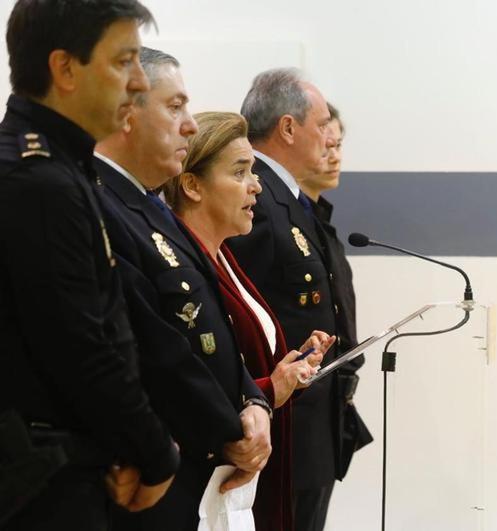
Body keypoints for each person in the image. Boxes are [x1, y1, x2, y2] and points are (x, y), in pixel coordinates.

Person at [0, 2, 179, 530]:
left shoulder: (59, 169)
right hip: (42, 482)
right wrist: (154, 452)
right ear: (65, 68)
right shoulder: (36, 182)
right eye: (124, 61)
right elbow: (81, 346)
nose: (139, 81)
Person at [93, 48, 275, 530]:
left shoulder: (149, 206)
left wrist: (253, 403)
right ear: (127, 112)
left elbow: (215, 328)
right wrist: (228, 429)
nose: (189, 125)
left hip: (199, 467)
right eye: (175, 108)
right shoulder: (99, 204)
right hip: (154, 467)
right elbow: (156, 346)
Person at [163, 111, 335, 531]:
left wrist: (287, 371)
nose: (256, 186)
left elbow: (240, 366)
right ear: (192, 185)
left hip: (248, 476)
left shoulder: (225, 256)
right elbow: (184, 385)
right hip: (206, 484)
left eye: (254, 172)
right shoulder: (180, 265)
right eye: (240, 173)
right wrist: (269, 389)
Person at [226, 67, 360, 531]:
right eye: (322, 124)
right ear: (287, 127)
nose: (329, 138)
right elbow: (243, 321)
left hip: (314, 427)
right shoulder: (261, 200)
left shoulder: (295, 201)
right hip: (283, 427)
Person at [297, 103, 372, 483]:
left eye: (338, 145)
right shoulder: (278, 218)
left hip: (332, 400)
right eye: (325, 145)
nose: (333, 156)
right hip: (300, 403)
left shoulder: (322, 224)